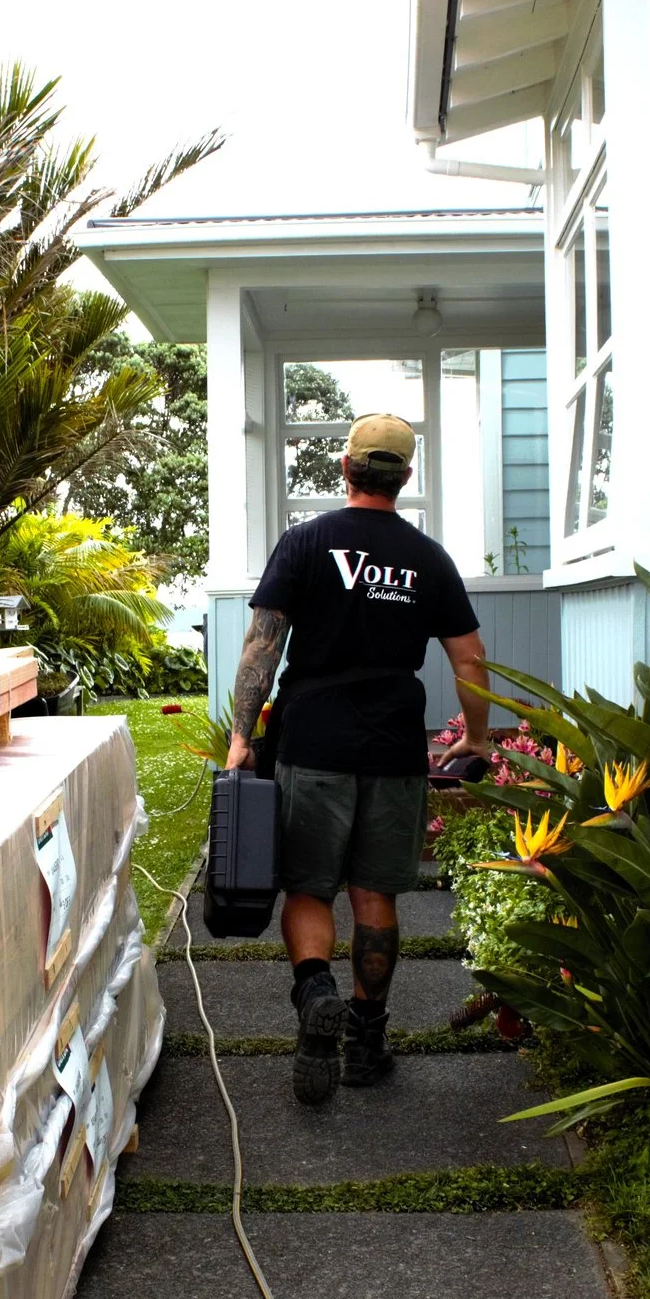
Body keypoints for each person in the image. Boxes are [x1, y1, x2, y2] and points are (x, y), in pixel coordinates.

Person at [224, 412, 493, 1106]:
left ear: (345, 468)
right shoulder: (427, 558)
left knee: (310, 889)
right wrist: (478, 736)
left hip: (314, 739)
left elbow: (263, 646)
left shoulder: (305, 542)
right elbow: (469, 656)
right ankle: (365, 1040)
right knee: (376, 893)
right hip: (394, 744)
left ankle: (316, 993)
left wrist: (241, 736)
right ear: (404, 477)